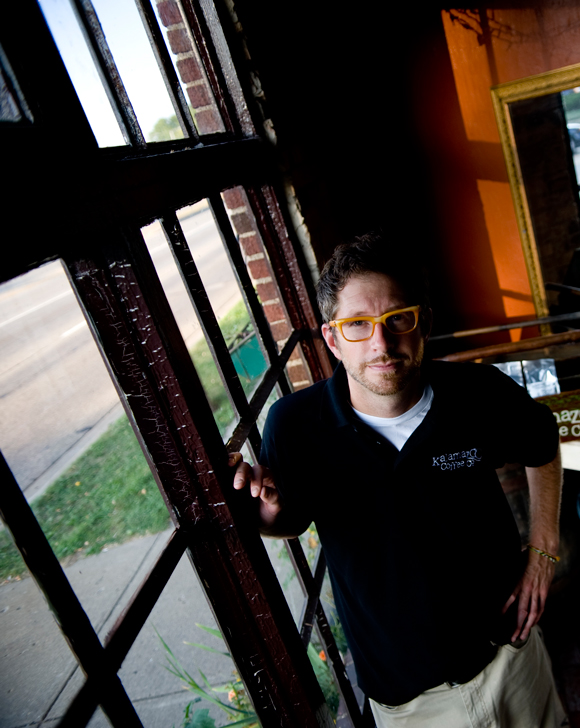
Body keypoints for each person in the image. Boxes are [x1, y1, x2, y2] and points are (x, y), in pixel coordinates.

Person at [231, 233, 567, 727]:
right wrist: (267, 510)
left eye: (397, 319)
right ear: (332, 340)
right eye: (358, 325)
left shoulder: (477, 392)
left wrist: (543, 549)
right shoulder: (295, 425)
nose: (381, 344)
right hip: (408, 702)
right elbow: (289, 521)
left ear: (423, 323)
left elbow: (542, 441)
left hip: (511, 661)